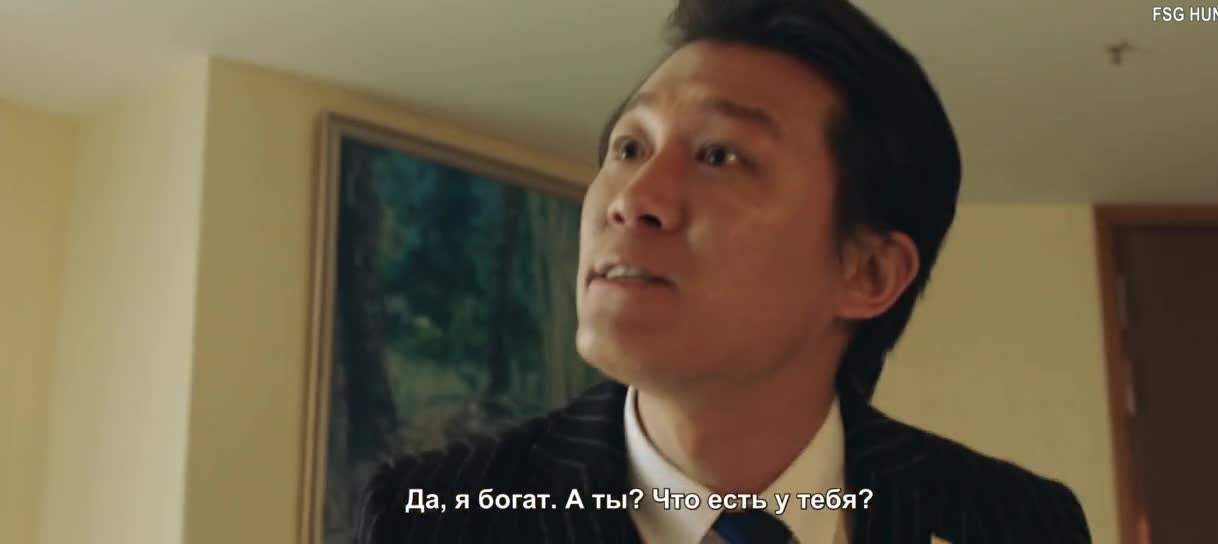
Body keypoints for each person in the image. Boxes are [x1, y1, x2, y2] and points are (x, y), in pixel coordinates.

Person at [356, 0, 1092, 542]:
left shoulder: (1015, 522)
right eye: (629, 148)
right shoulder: (432, 517)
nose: (634, 199)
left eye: (719, 156)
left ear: (868, 273)